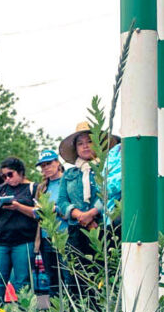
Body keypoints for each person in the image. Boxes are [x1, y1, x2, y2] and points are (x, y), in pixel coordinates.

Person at [55, 122, 113, 300]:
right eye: (80, 143)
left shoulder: (108, 168)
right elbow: (61, 202)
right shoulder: (69, 174)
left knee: (104, 274)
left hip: (103, 228)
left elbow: (110, 192)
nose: (85, 146)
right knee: (77, 278)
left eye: (89, 141)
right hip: (76, 230)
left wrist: (93, 213)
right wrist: (79, 214)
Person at [0, 158, 39, 306]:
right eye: (4, 176)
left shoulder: (33, 188)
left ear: (20, 172)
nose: (7, 179)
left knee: (22, 283)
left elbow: (38, 213)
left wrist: (18, 206)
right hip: (1, 241)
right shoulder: (0, 189)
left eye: (10, 174)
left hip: (24, 241)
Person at [35, 149, 66, 296]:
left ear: (58, 163)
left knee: (68, 276)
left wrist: (56, 209)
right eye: (43, 166)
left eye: (49, 164)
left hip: (64, 234)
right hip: (46, 236)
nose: (46, 168)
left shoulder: (67, 180)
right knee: (52, 279)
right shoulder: (41, 187)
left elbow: (73, 206)